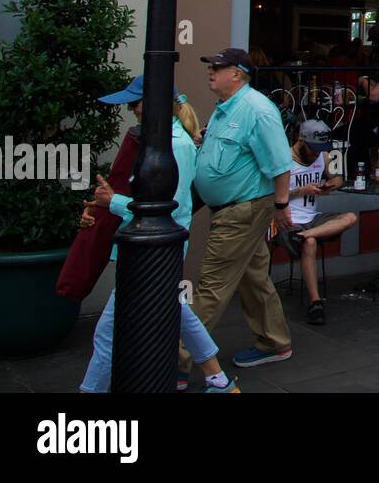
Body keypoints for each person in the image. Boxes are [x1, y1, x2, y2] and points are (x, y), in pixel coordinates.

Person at [80, 79, 238, 393]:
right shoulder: (164, 142)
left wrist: (111, 202)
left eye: (135, 102)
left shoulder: (173, 146)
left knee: (108, 331)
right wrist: (107, 203)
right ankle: (218, 379)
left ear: (154, 105)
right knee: (178, 310)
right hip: (155, 248)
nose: (131, 109)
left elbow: (167, 205)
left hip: (153, 251)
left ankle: (91, 391)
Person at [185, 48, 294, 377]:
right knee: (253, 277)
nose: (210, 71)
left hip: (242, 211)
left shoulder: (257, 110)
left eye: (218, 67)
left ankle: (175, 359)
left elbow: (279, 163)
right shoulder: (226, 108)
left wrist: (281, 205)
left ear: (238, 74)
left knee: (212, 286)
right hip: (230, 209)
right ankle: (275, 341)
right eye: (211, 65)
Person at [275, 121, 358, 326]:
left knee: (350, 217)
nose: (315, 154)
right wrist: (301, 191)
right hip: (289, 221)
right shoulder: (284, 160)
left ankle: (303, 236)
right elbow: (272, 197)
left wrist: (329, 185)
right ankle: (315, 302)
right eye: (313, 149)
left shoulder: (323, 155)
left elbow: (338, 178)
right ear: (301, 140)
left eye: (319, 150)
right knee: (310, 244)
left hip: (313, 219)